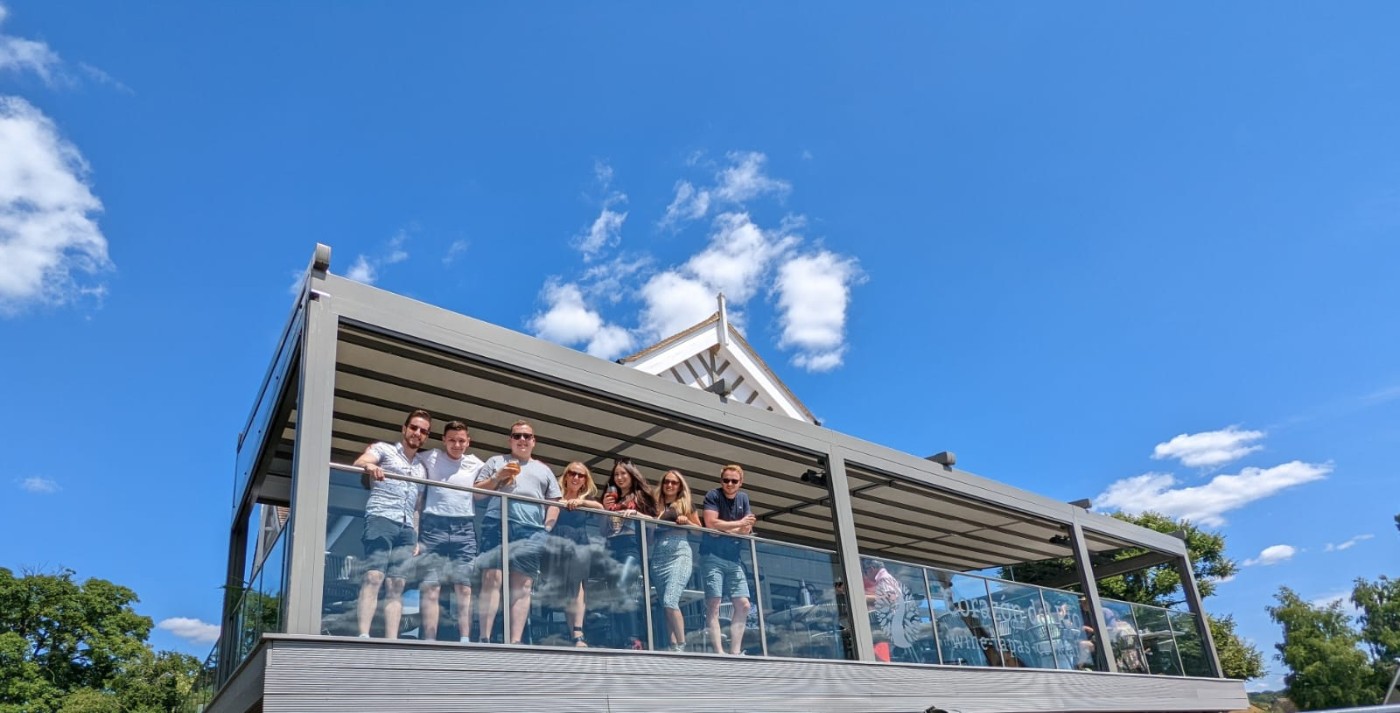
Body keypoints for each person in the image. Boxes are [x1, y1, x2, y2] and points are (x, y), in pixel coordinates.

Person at [473, 420, 560, 645]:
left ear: (534, 441)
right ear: (510, 440)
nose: (522, 439)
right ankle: (484, 638)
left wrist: (546, 529)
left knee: (523, 585)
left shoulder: (544, 469)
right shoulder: (496, 461)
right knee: (492, 578)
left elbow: (554, 503)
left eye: (526, 436)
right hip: (496, 523)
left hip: (531, 530)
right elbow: (477, 493)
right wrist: (497, 477)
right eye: (517, 435)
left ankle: (515, 641)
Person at [352, 409, 430, 639]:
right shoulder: (384, 449)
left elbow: (418, 506)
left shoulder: (421, 467)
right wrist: (370, 466)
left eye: (423, 431)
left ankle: (392, 639)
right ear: (404, 429)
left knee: (397, 584)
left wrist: (416, 535)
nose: (417, 433)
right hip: (381, 518)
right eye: (414, 427)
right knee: (374, 577)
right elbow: (361, 460)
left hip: (406, 529)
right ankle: (364, 635)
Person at [415, 420, 484, 642]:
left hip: (464, 528)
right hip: (433, 526)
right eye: (452, 440)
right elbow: (407, 457)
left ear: (468, 441)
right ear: (444, 440)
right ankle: (429, 640)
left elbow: (494, 480)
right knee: (431, 586)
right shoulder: (430, 456)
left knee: (464, 587)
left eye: (461, 440)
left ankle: (465, 639)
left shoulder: (476, 463)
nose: (456, 445)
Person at [601, 457, 658, 649]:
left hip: (631, 546)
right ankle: (621, 638)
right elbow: (603, 530)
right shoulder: (611, 497)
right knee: (615, 593)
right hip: (611, 547)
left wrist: (637, 514)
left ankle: (635, 638)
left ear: (632, 475)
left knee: (621, 586)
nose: (619, 477)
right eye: (616, 474)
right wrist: (605, 510)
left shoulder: (641, 496)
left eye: (623, 473)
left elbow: (654, 523)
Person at [700, 464, 756, 655]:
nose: (730, 484)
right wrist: (738, 525)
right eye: (726, 480)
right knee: (714, 603)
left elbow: (746, 530)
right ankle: (719, 652)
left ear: (741, 482)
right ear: (721, 481)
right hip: (712, 556)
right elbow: (710, 523)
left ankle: (735, 652)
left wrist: (726, 528)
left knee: (744, 604)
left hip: (734, 559)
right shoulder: (713, 495)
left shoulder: (743, 498)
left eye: (734, 481)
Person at [549, 461, 605, 647]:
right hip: (558, 544)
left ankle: (578, 631)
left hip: (579, 544)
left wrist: (582, 502)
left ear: (585, 480)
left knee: (579, 585)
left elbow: (601, 508)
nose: (576, 477)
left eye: (581, 475)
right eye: (572, 473)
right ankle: (573, 633)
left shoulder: (585, 500)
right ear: (565, 476)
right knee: (568, 590)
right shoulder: (555, 495)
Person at [652, 469, 698, 652]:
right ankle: (673, 647)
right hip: (658, 557)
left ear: (680, 486)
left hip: (679, 553)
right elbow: (649, 536)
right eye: (667, 482)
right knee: (665, 605)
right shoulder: (655, 506)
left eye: (674, 482)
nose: (669, 485)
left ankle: (682, 644)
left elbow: (699, 531)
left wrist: (686, 521)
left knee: (670, 600)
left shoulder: (685, 504)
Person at [862, 558, 901, 662]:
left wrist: (865, 598)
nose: (866, 575)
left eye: (865, 572)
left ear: (871, 569)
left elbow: (891, 598)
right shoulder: (886, 578)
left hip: (889, 622)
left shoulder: (884, 578)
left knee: (864, 638)